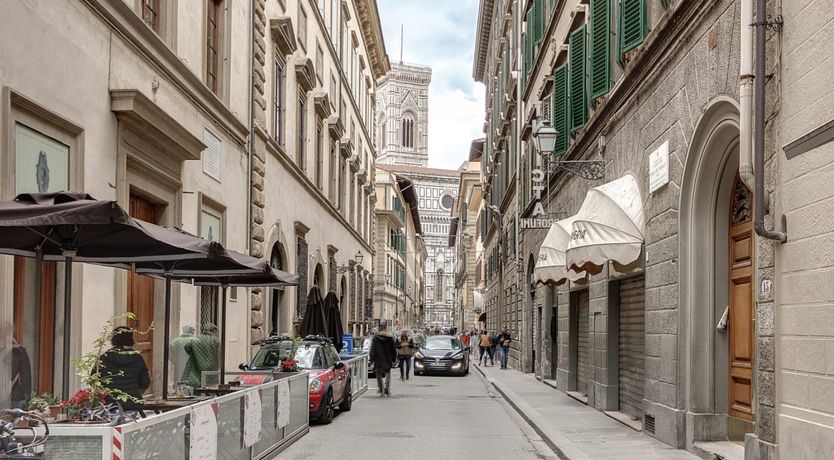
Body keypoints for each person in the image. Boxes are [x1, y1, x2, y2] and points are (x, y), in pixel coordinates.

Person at [99, 327, 150, 410]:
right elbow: (145, 382)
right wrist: (134, 393)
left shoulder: (104, 357)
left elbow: (95, 380)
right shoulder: (137, 357)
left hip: (110, 403)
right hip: (132, 402)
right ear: (130, 338)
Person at [182, 323, 220, 388]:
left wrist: (195, 354)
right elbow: (219, 353)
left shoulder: (196, 338)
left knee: (197, 384)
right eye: (216, 332)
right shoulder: (216, 340)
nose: (217, 334)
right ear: (214, 330)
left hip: (197, 365)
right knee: (210, 386)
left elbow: (187, 346)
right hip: (211, 367)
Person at [369, 323, 396, 396]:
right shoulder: (390, 337)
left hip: (378, 358)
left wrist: (371, 359)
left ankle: (381, 389)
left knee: (378, 373)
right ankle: (387, 387)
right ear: (386, 328)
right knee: (387, 372)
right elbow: (393, 349)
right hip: (388, 357)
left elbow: (372, 349)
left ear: (380, 329)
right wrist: (394, 359)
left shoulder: (376, 337)